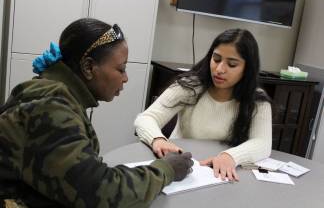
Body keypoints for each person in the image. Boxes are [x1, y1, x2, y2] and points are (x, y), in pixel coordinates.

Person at [0, 18, 193, 208]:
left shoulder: (57, 94)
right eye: (121, 69)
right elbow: (102, 192)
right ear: (88, 67)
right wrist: (166, 169)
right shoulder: (52, 108)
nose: (125, 78)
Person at [135, 28, 272, 182]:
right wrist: (157, 139)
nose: (219, 69)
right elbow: (145, 118)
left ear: (247, 69)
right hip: (180, 167)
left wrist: (230, 156)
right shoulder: (189, 86)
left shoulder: (257, 100)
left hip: (220, 173)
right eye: (216, 59)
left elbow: (263, 143)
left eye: (232, 64)